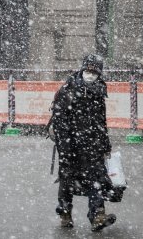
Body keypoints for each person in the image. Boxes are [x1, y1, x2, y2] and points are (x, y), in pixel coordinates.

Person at [49, 54, 116, 231]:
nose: (91, 74)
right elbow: (60, 120)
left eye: (95, 71)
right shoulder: (68, 89)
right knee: (67, 180)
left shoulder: (99, 90)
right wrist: (65, 146)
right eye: (88, 70)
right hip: (71, 145)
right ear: (82, 69)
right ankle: (65, 214)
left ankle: (97, 216)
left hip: (92, 145)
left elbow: (101, 121)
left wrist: (105, 144)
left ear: (100, 73)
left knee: (97, 179)